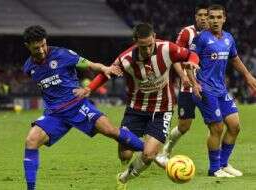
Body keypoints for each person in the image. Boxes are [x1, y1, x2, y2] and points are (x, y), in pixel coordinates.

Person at [74, 23, 200, 190]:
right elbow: (107, 73)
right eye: (143, 47)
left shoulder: (167, 48)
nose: (147, 50)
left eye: (150, 45)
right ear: (135, 41)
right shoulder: (125, 59)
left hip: (162, 109)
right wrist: (89, 88)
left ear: (154, 37)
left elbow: (191, 55)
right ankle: (136, 154)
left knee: (147, 155)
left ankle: (123, 178)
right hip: (135, 110)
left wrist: (192, 63)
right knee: (125, 154)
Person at [22, 25, 145, 190]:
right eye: (36, 48)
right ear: (27, 46)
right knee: (31, 141)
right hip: (55, 114)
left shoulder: (62, 54)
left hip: (77, 105)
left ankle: (152, 152)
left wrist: (105, 68)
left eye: (43, 45)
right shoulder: (28, 67)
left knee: (110, 131)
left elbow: (90, 65)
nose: (42, 50)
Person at [190, 4, 256, 177]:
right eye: (211, 17)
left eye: (219, 17)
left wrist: (248, 77)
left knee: (234, 126)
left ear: (224, 19)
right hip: (205, 89)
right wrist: (193, 82)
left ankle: (224, 164)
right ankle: (214, 169)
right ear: (208, 19)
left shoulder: (228, 38)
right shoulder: (201, 39)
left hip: (221, 90)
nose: (215, 21)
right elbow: (190, 62)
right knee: (217, 127)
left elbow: (235, 59)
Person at [155, 4, 209, 167]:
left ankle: (217, 163)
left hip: (209, 86)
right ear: (195, 17)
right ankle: (165, 151)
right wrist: (183, 76)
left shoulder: (214, 34)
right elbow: (175, 56)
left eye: (206, 15)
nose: (204, 18)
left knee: (217, 124)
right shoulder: (187, 32)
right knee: (184, 126)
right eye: (200, 15)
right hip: (188, 87)